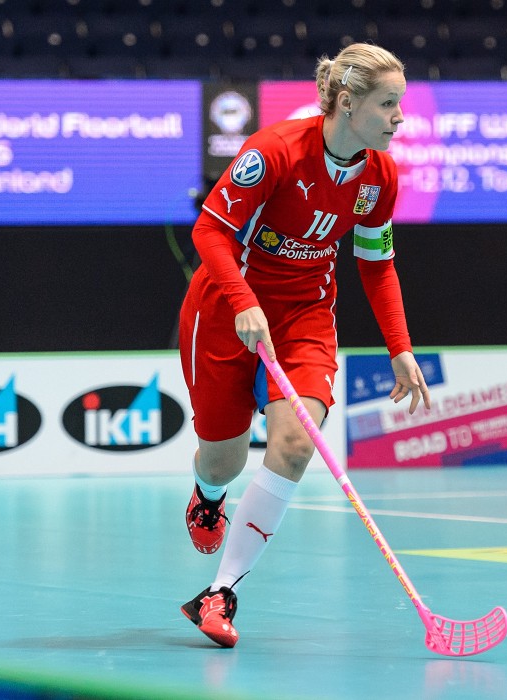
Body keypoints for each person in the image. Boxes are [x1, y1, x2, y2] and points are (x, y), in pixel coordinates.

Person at [177, 43, 432, 648]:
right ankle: (209, 496)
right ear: (347, 103)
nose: (400, 118)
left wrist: (399, 346)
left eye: (401, 105)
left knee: (294, 446)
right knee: (224, 458)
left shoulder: (379, 175)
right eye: (388, 104)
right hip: (224, 309)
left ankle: (220, 592)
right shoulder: (274, 151)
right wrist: (244, 303)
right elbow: (210, 230)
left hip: (306, 317)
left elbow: (376, 262)